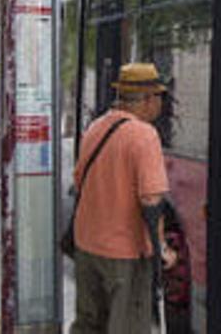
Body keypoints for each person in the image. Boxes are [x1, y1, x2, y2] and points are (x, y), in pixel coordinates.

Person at [71, 63, 177, 334]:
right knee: (127, 325)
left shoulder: (95, 128)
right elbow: (152, 201)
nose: (161, 104)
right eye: (160, 97)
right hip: (125, 253)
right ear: (147, 99)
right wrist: (162, 249)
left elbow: (77, 182)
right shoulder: (144, 135)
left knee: (88, 324)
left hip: (87, 247)